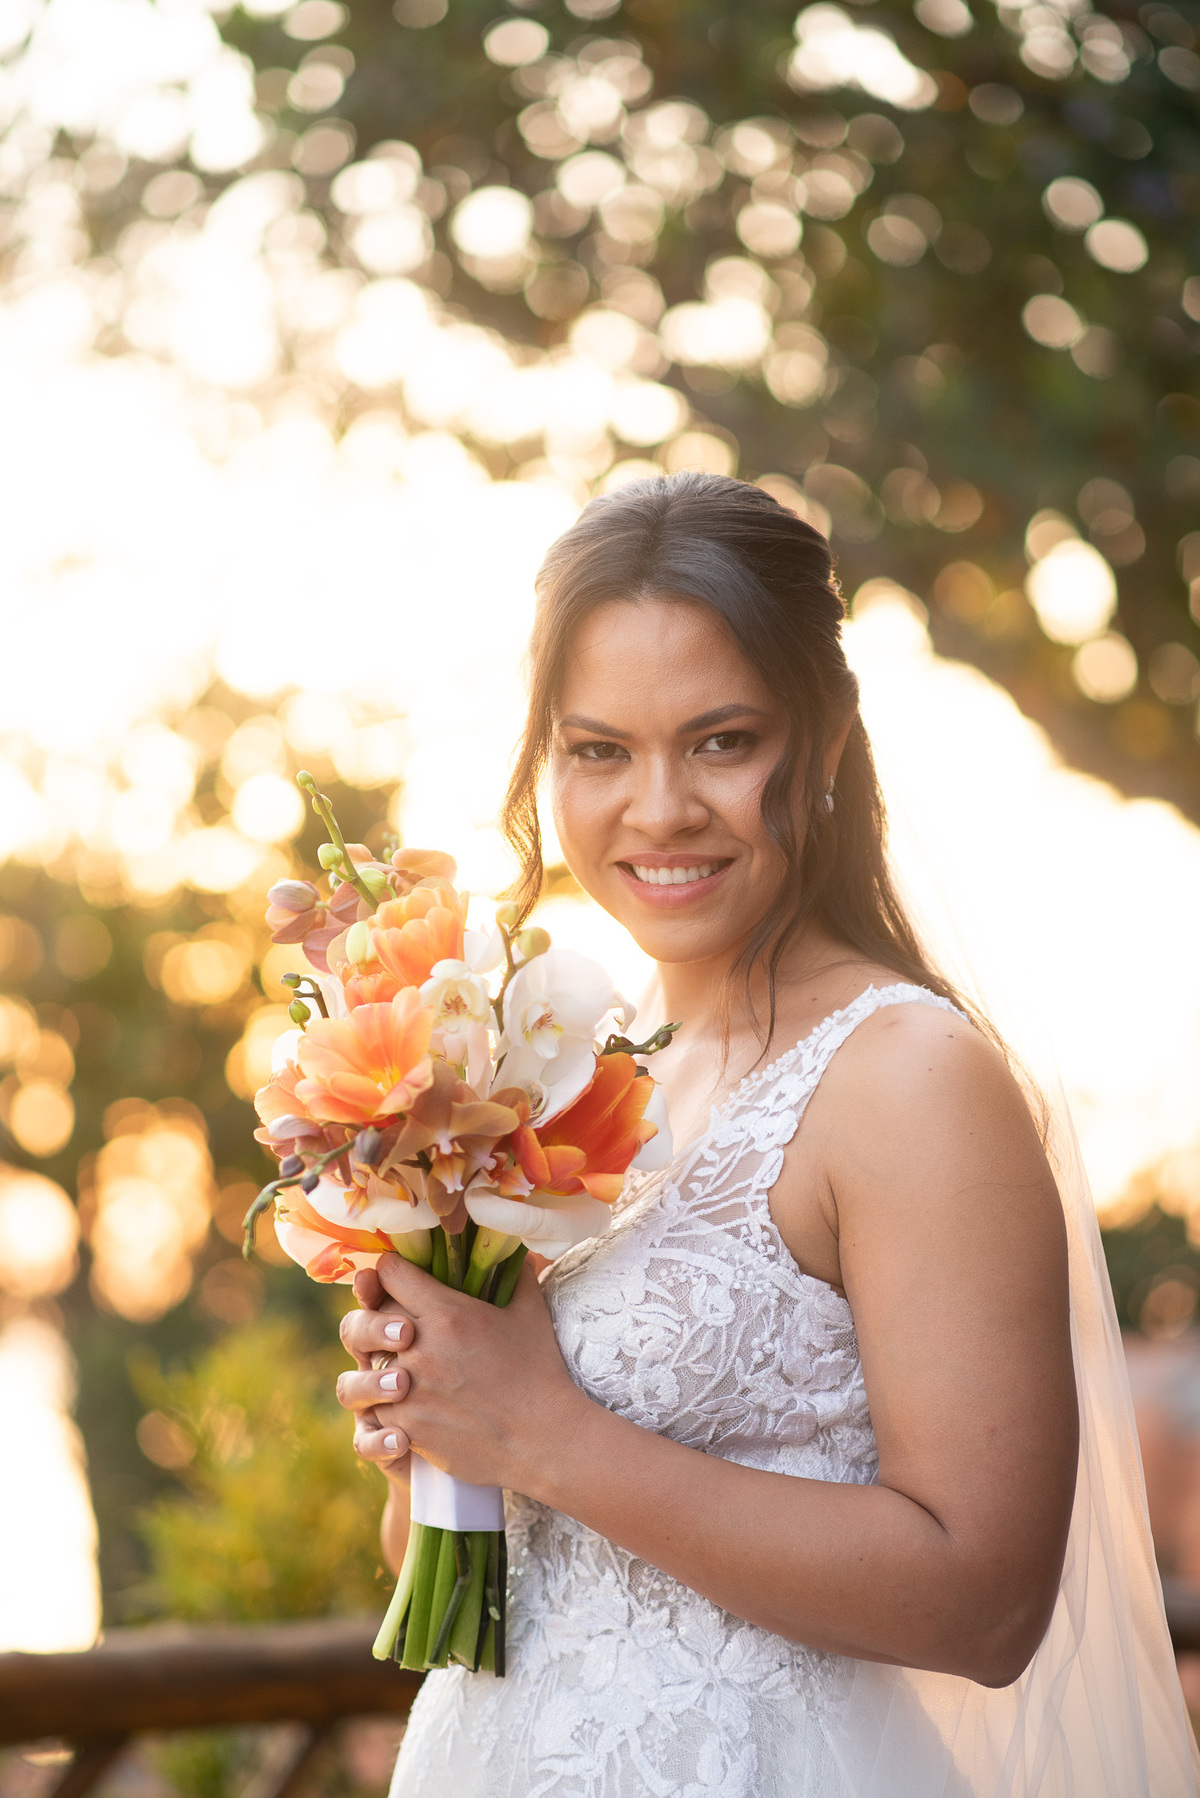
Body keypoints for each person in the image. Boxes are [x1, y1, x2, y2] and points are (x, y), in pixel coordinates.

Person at [336, 473, 1198, 1795]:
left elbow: (986, 1599)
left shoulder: (908, 1078)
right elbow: (465, 1577)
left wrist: (542, 1429)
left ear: (828, 735)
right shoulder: (549, 1077)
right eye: (600, 749)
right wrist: (429, 1419)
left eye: (722, 741)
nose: (660, 807)